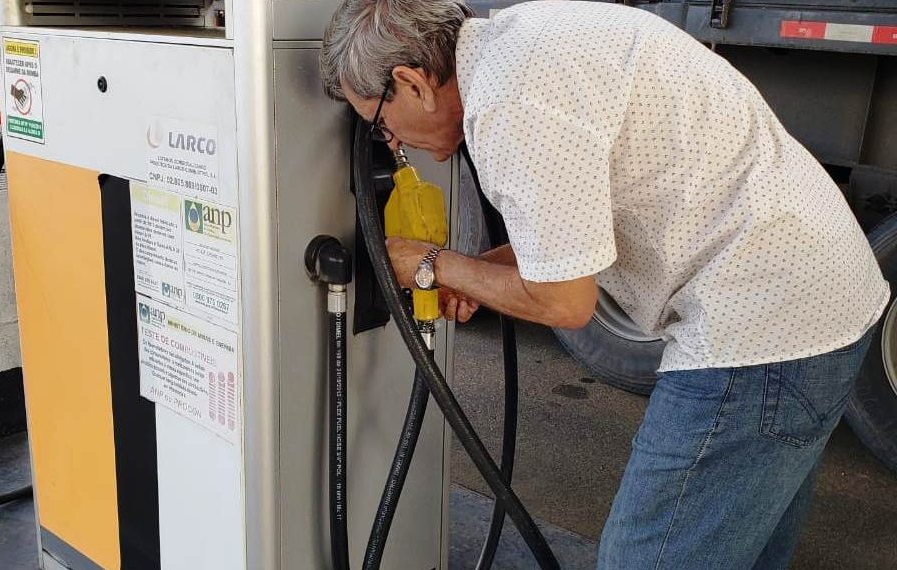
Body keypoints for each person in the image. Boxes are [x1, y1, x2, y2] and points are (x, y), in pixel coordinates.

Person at [320, 1, 890, 568]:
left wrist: (430, 264)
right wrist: (479, 272)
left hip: (764, 327)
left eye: (379, 123)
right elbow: (571, 226)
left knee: (644, 559)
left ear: (410, 82)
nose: (391, 143)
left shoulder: (508, 105)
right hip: (826, 297)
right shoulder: (521, 44)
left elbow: (565, 302)